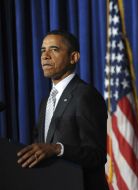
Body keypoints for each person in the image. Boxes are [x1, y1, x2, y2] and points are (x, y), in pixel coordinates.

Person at [17, 30, 109, 190]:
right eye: (42, 50)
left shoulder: (85, 95)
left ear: (74, 57)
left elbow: (96, 155)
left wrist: (57, 149)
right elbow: (40, 147)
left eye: (54, 49)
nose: (45, 56)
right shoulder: (46, 101)